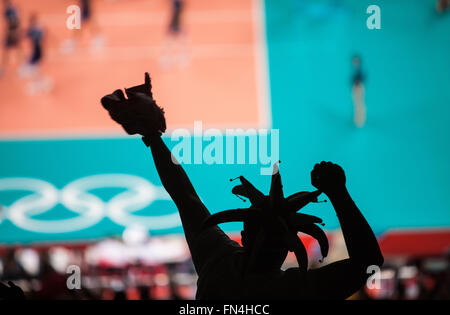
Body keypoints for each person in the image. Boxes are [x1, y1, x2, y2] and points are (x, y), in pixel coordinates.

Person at [100, 73, 384, 299]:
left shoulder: (219, 264)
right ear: (287, 249)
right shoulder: (296, 291)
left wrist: (153, 137)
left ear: (245, 237)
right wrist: (338, 192)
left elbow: (185, 196)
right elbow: (369, 261)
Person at [0, 0, 23, 76]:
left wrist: (10, 32)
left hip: (11, 32)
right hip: (14, 31)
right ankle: (21, 67)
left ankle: (4, 69)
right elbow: (17, 20)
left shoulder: (8, 11)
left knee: (7, 50)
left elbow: (13, 22)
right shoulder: (14, 8)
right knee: (16, 49)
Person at [351, 55, 366, 128]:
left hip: (358, 87)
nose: (355, 63)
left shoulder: (359, 70)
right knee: (356, 103)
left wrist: (358, 83)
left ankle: (361, 120)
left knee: (359, 103)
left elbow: (362, 78)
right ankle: (357, 118)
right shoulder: (354, 69)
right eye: (354, 61)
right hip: (356, 87)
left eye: (356, 61)